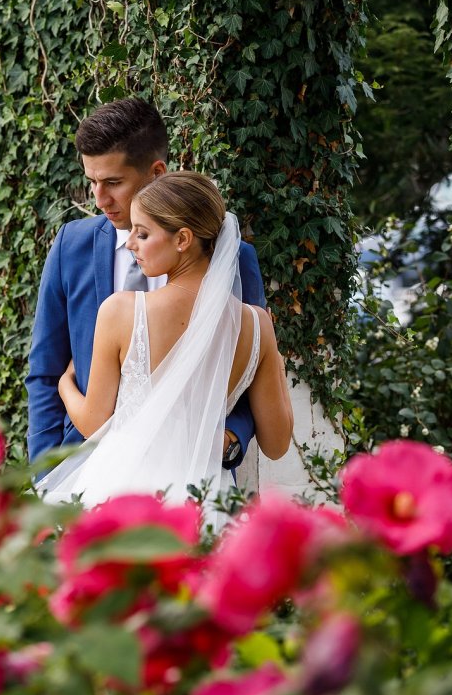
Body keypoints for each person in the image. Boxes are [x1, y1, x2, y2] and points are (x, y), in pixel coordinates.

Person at [26, 97, 267, 469]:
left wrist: (230, 442)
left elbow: (250, 368)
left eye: (113, 182)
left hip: (193, 475)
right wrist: (45, 474)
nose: (99, 199)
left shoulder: (231, 259)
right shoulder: (70, 246)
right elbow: (45, 370)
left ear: (157, 172)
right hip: (82, 478)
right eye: (92, 182)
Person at [38, 172, 292, 516]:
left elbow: (93, 424)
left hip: (126, 495)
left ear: (182, 239)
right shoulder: (257, 324)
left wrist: (65, 384)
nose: (130, 244)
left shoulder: (120, 312)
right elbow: (276, 445)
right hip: (207, 501)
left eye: (142, 234)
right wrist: (272, 359)